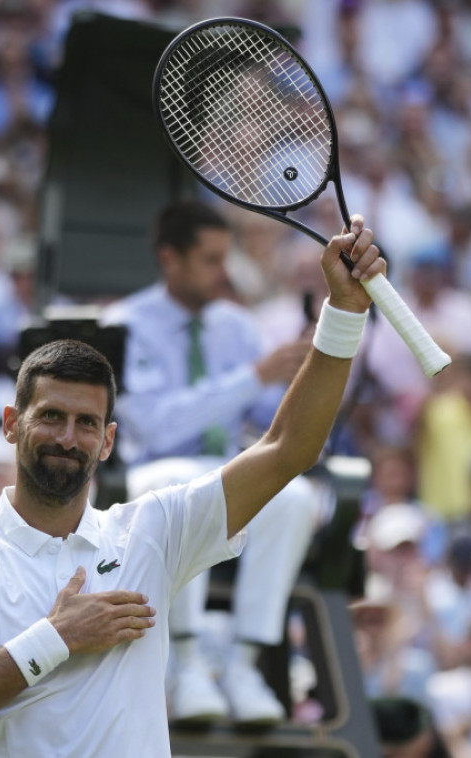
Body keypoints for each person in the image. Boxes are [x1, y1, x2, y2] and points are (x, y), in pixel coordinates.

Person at [0, 214, 385, 756]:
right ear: (11, 423)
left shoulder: (151, 531)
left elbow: (288, 448)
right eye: (50, 416)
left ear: (108, 440)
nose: (67, 437)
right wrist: (55, 639)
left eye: (87, 423)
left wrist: (345, 311)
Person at [101, 199, 320, 725]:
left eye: (227, 259)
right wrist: (255, 375)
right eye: (210, 260)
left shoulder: (238, 326)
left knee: (294, 495)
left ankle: (245, 666)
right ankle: (188, 664)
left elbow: (271, 419)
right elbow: (156, 425)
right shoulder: (124, 325)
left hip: (225, 467)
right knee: (185, 481)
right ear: (169, 258)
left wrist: (314, 368)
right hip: (149, 473)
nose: (224, 273)